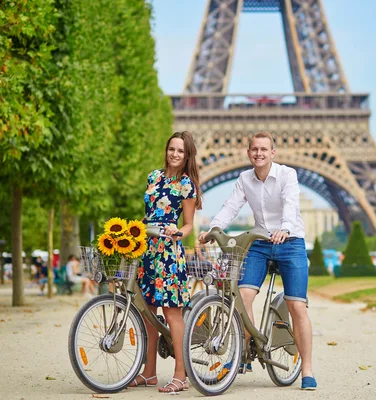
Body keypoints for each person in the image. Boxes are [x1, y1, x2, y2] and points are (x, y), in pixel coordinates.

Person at [199, 131, 317, 391]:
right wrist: (214, 228)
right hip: (261, 243)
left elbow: (290, 204)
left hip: (290, 242)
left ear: (272, 153)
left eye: (264, 149)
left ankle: (307, 369)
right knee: (242, 297)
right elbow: (231, 206)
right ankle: (246, 350)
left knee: (297, 306)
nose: (259, 153)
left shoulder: (287, 175)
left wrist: (285, 228)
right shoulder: (244, 179)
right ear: (248, 152)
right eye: (255, 149)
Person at [129, 131, 202, 394]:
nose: (175, 154)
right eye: (172, 148)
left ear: (187, 155)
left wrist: (179, 233)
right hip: (147, 248)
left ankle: (180, 375)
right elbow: (148, 212)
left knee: (172, 313)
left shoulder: (187, 185)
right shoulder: (153, 176)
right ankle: (149, 374)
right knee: (148, 313)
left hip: (169, 252)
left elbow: (189, 224)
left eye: (180, 151)